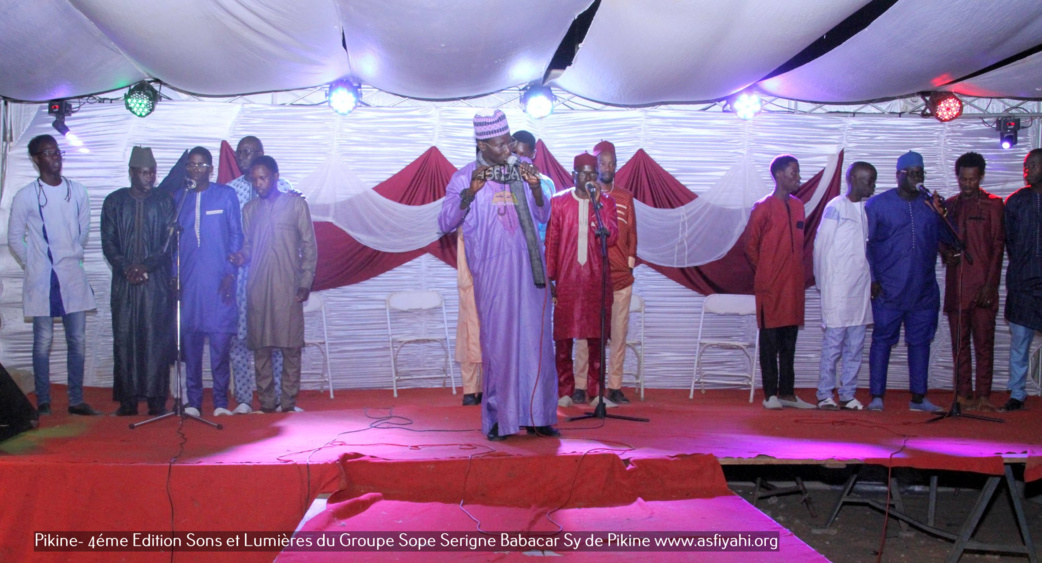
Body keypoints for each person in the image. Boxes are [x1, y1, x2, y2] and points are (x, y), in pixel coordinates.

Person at [438, 109, 558, 441]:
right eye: (500, 143)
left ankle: (540, 415)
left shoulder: (524, 171)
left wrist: (535, 189)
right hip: (493, 275)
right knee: (500, 345)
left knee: (536, 342)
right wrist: (470, 193)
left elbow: (544, 212)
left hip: (530, 272)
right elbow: (445, 221)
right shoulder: (465, 177)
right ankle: (498, 417)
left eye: (509, 142)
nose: (508, 149)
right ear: (482, 144)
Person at [7, 134, 99, 416]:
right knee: (43, 341)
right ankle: (43, 400)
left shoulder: (78, 191)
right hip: (43, 279)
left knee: (77, 341)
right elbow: (14, 238)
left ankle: (75, 400)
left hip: (72, 274)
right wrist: (34, 264)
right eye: (48, 153)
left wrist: (70, 254)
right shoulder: (25, 196)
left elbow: (83, 232)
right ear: (36, 159)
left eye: (57, 151)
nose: (55, 157)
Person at [865, 151, 954, 413]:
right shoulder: (877, 205)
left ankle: (918, 398)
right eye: (912, 173)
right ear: (899, 175)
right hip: (889, 289)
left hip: (923, 290)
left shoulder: (930, 205)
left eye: (920, 173)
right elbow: (865, 246)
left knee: (920, 342)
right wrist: (872, 279)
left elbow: (946, 239)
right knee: (882, 340)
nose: (917, 178)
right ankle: (877, 396)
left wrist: (942, 214)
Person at [228, 156, 317, 414]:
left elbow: (309, 245)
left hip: (288, 286)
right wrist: (240, 256)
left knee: (290, 347)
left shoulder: (296, 205)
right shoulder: (250, 210)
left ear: (276, 176)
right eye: (254, 179)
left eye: (263, 177)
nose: (259, 184)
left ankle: (288, 404)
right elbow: (247, 247)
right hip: (258, 287)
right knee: (261, 348)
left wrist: (305, 282)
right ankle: (267, 405)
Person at [100, 146, 175, 416]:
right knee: (125, 337)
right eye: (144, 173)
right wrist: (125, 268)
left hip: (155, 282)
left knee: (156, 338)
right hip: (124, 283)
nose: (149, 177)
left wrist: (146, 266)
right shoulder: (114, 201)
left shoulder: (164, 201)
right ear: (132, 173)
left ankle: (156, 401)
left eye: (152, 172)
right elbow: (107, 242)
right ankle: (128, 401)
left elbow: (168, 243)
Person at [546, 153, 619, 408]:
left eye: (592, 173)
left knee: (597, 336)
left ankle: (597, 392)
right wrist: (550, 276)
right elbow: (552, 241)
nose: (589, 177)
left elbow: (611, 239)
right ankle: (564, 391)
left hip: (595, 279)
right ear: (573, 174)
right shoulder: (558, 202)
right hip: (567, 278)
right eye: (584, 173)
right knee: (563, 338)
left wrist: (598, 203)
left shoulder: (607, 203)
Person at [227, 136, 293, 414]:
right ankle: (244, 399)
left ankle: (277, 399)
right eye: (241, 153)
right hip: (242, 277)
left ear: (262, 154)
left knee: (276, 337)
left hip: (276, 275)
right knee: (242, 337)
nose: (246, 157)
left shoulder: (285, 189)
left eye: (251, 152)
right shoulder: (229, 192)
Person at [175, 146, 242, 418]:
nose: (196, 169)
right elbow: (174, 245)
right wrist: (174, 276)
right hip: (190, 286)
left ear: (211, 169)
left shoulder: (226, 196)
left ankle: (220, 403)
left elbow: (237, 236)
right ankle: (192, 402)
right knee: (190, 348)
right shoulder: (180, 199)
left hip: (219, 285)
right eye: (191, 165)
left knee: (219, 348)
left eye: (202, 165)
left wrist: (231, 273)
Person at [747, 155, 814, 410]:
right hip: (770, 286)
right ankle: (770, 395)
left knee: (789, 341)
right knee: (770, 340)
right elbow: (750, 247)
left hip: (794, 285)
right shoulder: (762, 207)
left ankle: (788, 393)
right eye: (793, 173)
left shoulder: (799, 206)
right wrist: (767, 270)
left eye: (798, 172)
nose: (798, 177)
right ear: (778, 176)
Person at [574, 140, 638, 406]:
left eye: (612, 163)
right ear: (594, 165)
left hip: (620, 278)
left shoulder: (624, 197)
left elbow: (632, 234)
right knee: (584, 332)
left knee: (619, 334)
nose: (607, 167)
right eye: (602, 163)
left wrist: (629, 264)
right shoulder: (583, 196)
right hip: (590, 278)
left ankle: (613, 386)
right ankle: (580, 385)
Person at [941, 152, 1004, 412]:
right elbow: (941, 240)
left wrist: (990, 286)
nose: (967, 184)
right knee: (960, 345)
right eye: (963, 179)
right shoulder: (950, 206)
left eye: (972, 180)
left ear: (980, 177)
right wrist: (946, 254)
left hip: (982, 286)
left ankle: (984, 395)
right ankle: (964, 394)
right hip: (957, 285)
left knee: (984, 343)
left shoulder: (994, 205)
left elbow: (998, 248)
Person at [812, 162, 876, 411]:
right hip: (837, 288)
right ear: (851, 179)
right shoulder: (835, 206)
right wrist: (823, 282)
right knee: (833, 345)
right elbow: (820, 246)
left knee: (855, 345)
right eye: (867, 180)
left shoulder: (867, 209)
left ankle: (848, 394)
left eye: (873, 180)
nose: (871, 185)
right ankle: (824, 394)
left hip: (860, 289)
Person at [1001, 148, 1042, 412]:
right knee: (1020, 343)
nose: (1028, 170)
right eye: (1026, 166)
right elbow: (1010, 242)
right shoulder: (1016, 201)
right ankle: (1017, 392)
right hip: (1023, 282)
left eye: (1034, 165)